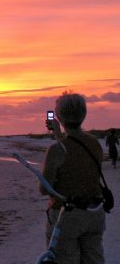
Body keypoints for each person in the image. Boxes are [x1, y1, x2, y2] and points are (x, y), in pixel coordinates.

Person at [41, 91, 105, 264]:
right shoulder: (93, 142)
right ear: (83, 115)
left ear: (59, 117)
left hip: (66, 215)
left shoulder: (56, 149)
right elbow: (75, 150)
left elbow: (44, 188)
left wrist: (57, 136)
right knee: (94, 258)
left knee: (64, 259)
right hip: (94, 211)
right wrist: (58, 134)